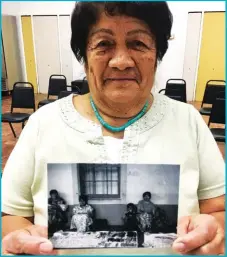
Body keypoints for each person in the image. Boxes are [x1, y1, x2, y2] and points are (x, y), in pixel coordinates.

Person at [2, 1, 225, 255]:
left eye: (138, 43)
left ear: (157, 55)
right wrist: (20, 239)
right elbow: (11, 217)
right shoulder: (42, 124)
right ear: (84, 56)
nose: (121, 61)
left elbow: (219, 210)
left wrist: (215, 230)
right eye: (103, 44)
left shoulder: (189, 121)